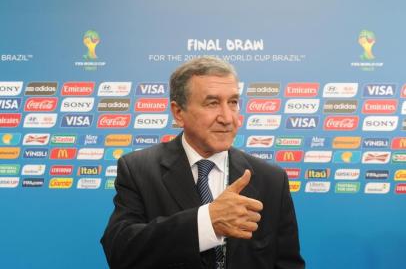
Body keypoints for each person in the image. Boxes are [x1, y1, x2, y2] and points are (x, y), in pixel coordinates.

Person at [101, 57, 305, 269]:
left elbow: (288, 264)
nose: (227, 117)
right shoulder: (139, 170)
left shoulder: (270, 179)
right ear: (178, 113)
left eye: (233, 102)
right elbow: (120, 251)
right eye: (212, 103)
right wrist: (206, 222)